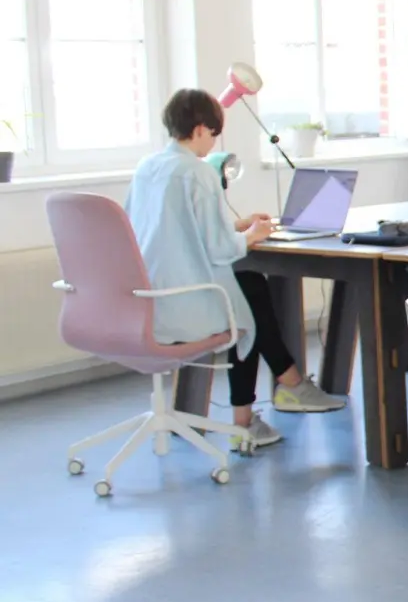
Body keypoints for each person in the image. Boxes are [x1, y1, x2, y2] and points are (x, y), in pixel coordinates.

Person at [124, 88, 345, 448]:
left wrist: (238, 227)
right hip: (183, 305)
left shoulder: (147, 168)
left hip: (147, 298)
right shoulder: (198, 173)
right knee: (248, 299)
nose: (213, 143)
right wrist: (254, 235)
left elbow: (165, 230)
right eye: (213, 133)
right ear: (199, 129)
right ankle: (283, 391)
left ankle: (274, 399)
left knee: (249, 288)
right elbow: (219, 249)